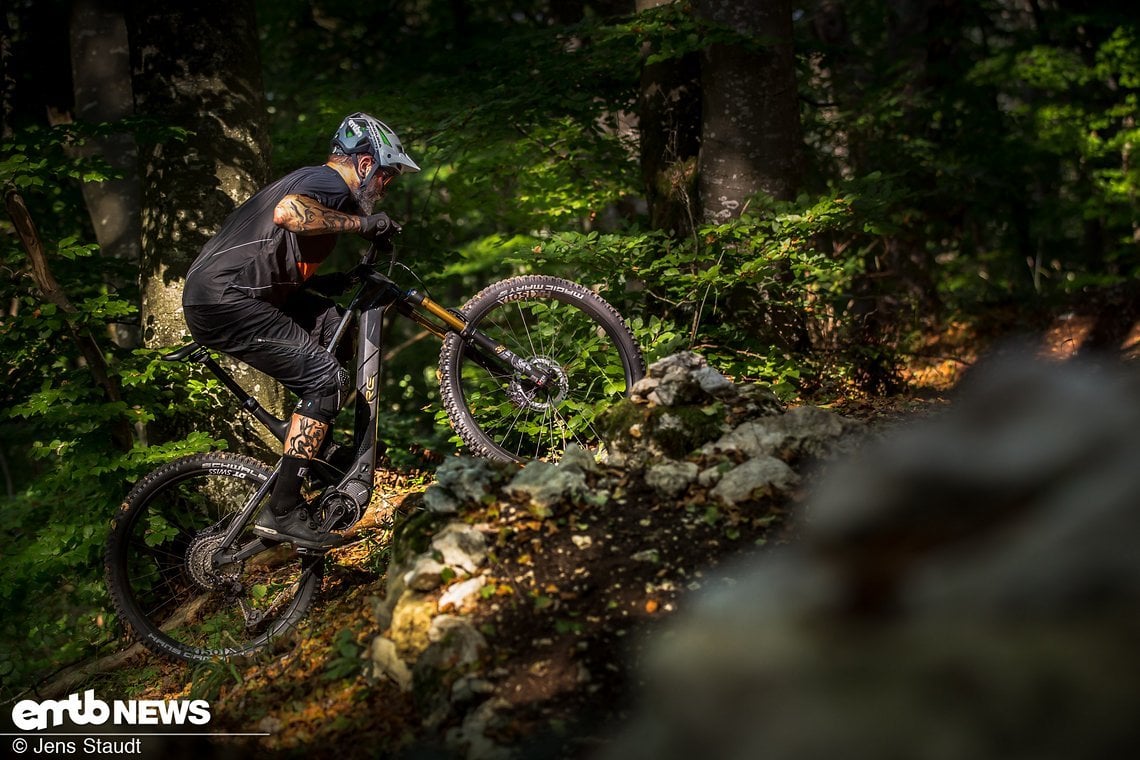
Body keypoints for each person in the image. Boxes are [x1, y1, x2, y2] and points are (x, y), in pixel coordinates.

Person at [182, 112, 420, 550]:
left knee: (334, 325)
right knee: (325, 378)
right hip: (227, 298)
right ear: (364, 165)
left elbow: (270, 251)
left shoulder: (321, 187)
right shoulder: (328, 180)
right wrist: (366, 224)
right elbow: (289, 214)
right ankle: (282, 510)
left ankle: (318, 450)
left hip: (239, 292)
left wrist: (328, 282)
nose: (388, 187)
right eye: (386, 176)